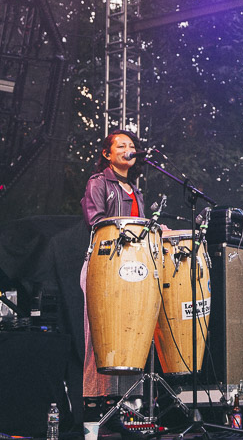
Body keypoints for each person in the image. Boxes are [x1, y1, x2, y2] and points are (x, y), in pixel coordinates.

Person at [79, 129, 148, 398]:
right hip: (103, 268)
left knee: (132, 336)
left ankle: (130, 405)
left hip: (132, 271)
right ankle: (96, 403)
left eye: (131, 146)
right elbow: (95, 222)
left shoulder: (138, 193)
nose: (127, 149)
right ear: (107, 154)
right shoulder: (98, 183)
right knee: (100, 338)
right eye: (121, 146)